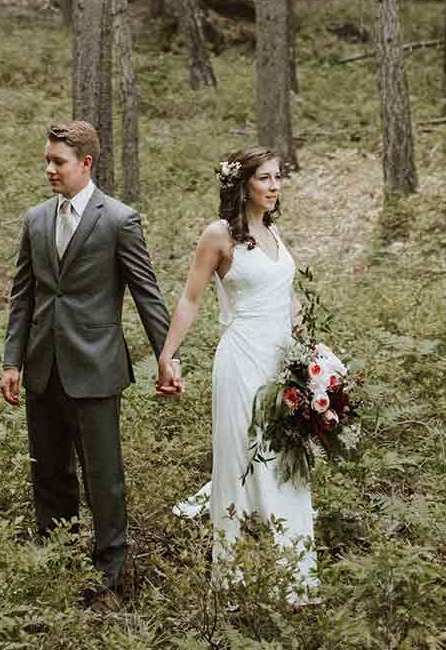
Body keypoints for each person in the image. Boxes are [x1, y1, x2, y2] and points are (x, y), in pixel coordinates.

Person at [0, 121, 181, 611]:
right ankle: (56, 565)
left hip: (97, 369)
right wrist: (12, 360)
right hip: (42, 368)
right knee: (48, 475)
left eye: (58, 161)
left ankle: (107, 579)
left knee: (104, 479)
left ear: (86, 163)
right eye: (46, 160)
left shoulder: (118, 220)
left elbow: (147, 294)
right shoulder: (36, 219)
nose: (49, 169)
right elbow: (23, 296)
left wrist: (167, 356)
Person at [159, 146, 318, 605]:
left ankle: (293, 579)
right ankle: (235, 580)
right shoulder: (219, 235)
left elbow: (287, 298)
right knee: (242, 459)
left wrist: (312, 354)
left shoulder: (273, 233)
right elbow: (190, 298)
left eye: (277, 177)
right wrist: (168, 354)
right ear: (242, 184)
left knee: (287, 464)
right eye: (264, 178)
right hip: (242, 358)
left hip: (282, 363)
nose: (274, 186)